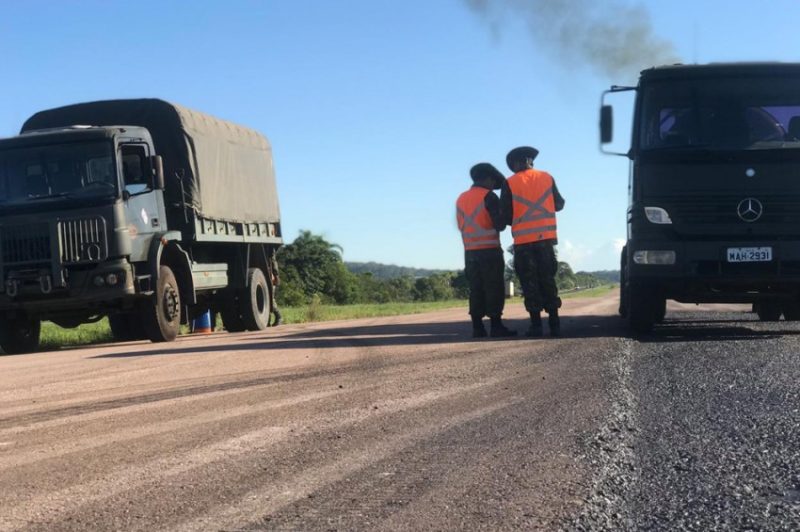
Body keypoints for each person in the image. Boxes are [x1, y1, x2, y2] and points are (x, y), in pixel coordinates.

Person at [501, 146, 565, 337]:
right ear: (531, 161)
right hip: (545, 241)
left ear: (514, 164)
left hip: (523, 243)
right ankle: (554, 323)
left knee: (530, 283)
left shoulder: (510, 182)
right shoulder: (547, 177)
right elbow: (560, 204)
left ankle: (536, 325)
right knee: (547, 280)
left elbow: (505, 215)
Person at [456, 163, 517, 338]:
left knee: (476, 288)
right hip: (489, 250)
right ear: (488, 179)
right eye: (493, 182)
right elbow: (499, 224)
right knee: (494, 288)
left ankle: (477, 327)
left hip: (470, 251)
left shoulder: (461, 198)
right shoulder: (489, 197)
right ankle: (496, 326)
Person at [269, 247, 283, 326]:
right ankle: (268, 321)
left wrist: (276, 275)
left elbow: (273, 262)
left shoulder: (271, 252)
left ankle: (279, 316)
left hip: (271, 276)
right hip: (269, 275)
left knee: (271, 299)